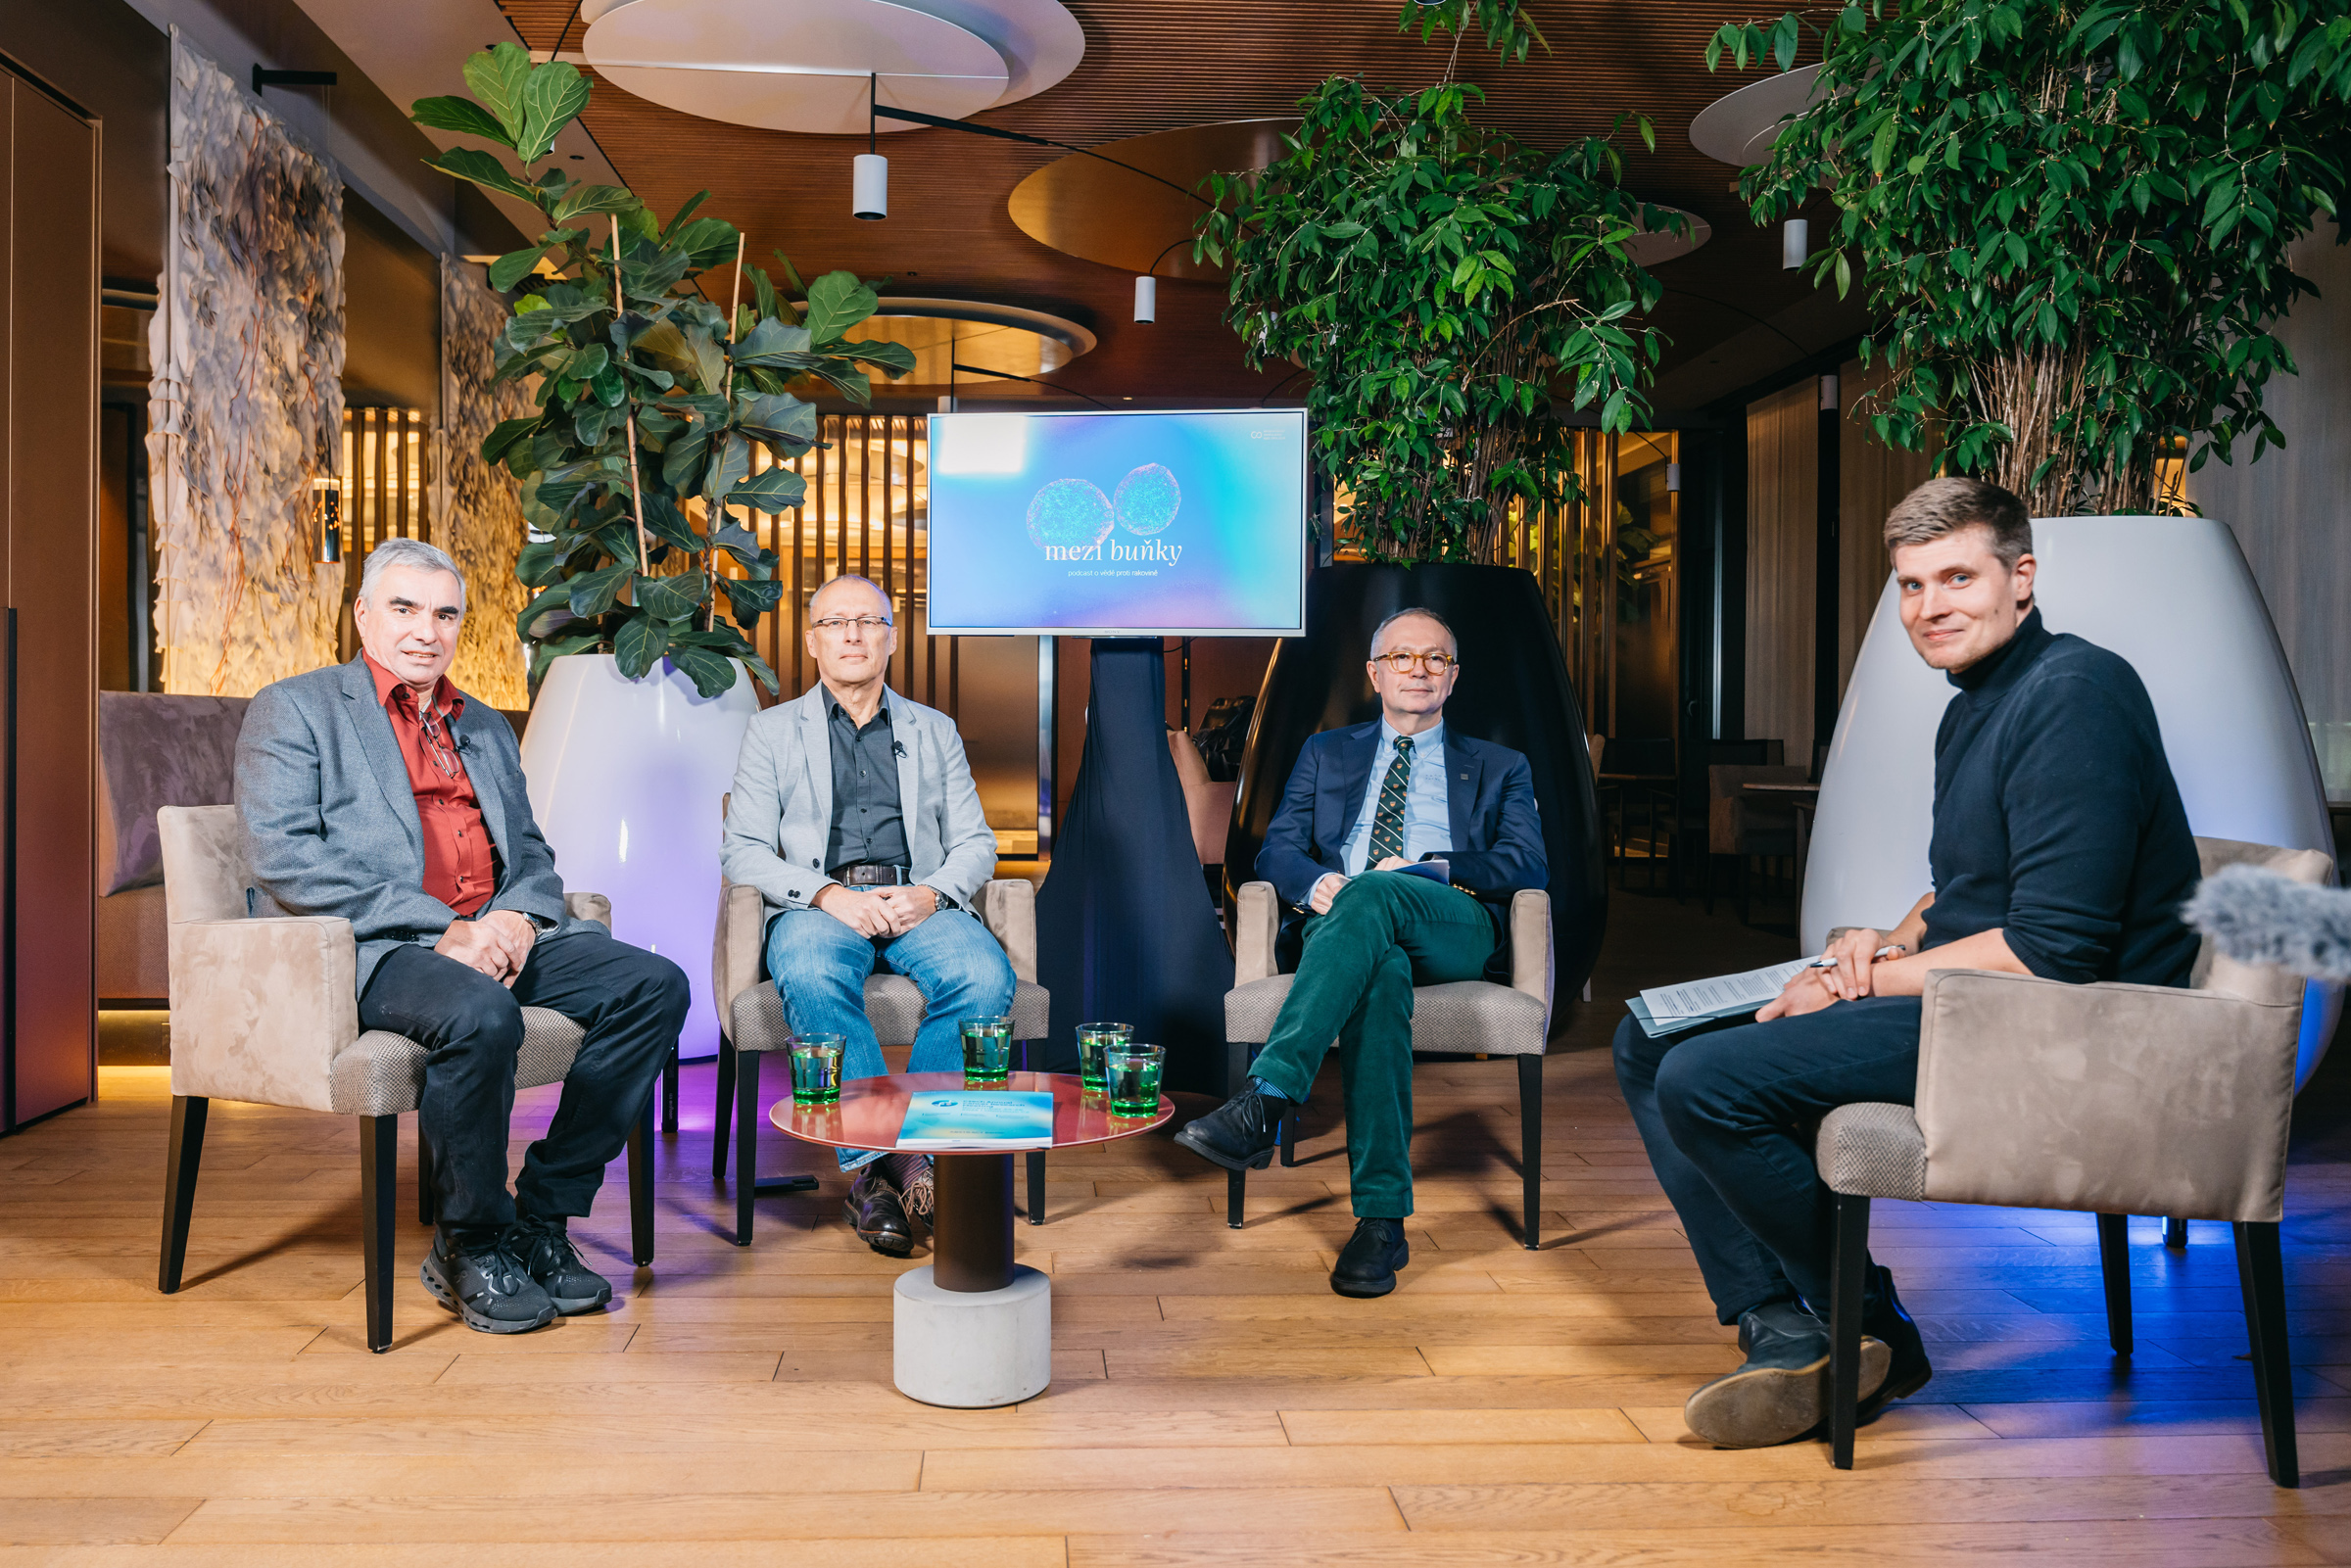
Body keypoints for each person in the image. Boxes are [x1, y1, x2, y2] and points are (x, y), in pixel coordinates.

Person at [1613, 477, 2203, 1449]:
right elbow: (1964, 889)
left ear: (2022, 577)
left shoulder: (2076, 695)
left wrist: (1851, 982)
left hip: (2070, 1031)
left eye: (1958, 577)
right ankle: (1785, 1324)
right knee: (1646, 1038)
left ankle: (1870, 1326)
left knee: (1704, 1078)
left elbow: (2051, 951)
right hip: (1982, 998)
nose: (1931, 606)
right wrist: (1884, 939)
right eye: (1912, 585)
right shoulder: (1975, 704)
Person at [236, 538, 689, 1336]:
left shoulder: (481, 722)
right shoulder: (297, 708)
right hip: (383, 945)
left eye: (445, 614)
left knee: (654, 985)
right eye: (405, 608)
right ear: (363, 615)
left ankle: (541, 1216)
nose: (427, 630)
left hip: (495, 932)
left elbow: (532, 853)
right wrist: (445, 928)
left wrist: (515, 919)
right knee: (482, 1013)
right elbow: (283, 857)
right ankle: (469, 1241)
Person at [1175, 606, 1547, 1298]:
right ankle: (1381, 1223)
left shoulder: (1501, 766)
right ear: (1375, 674)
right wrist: (1318, 883)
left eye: (1435, 658)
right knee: (1380, 973)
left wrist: (1431, 868)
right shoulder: (1327, 752)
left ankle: (1267, 1095)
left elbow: (1527, 862)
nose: (1418, 670)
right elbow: (1277, 849)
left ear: (1453, 677)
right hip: (1345, 923)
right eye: (1402, 657)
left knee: (1376, 892)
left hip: (1451, 920)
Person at [721, 574, 1011, 1257]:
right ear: (812, 641)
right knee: (812, 973)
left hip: (917, 898)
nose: (852, 635)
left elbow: (977, 842)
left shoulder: (934, 730)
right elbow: (743, 850)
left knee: (983, 977)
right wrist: (828, 895)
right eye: (836, 623)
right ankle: (893, 1164)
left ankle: (903, 1162)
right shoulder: (771, 731)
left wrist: (931, 894)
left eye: (868, 622)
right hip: (820, 903)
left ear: (892, 638)